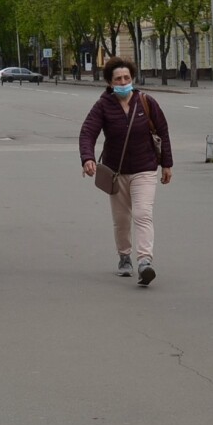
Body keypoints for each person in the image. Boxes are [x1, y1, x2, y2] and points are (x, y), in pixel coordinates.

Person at [78, 56, 173, 287]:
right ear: (110, 83)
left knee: (143, 214)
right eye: (118, 79)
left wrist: (167, 164)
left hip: (145, 168)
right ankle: (124, 256)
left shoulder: (146, 102)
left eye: (127, 78)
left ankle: (144, 262)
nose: (123, 82)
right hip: (116, 171)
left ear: (133, 78)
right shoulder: (103, 106)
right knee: (122, 219)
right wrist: (87, 158)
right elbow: (88, 132)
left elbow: (163, 131)